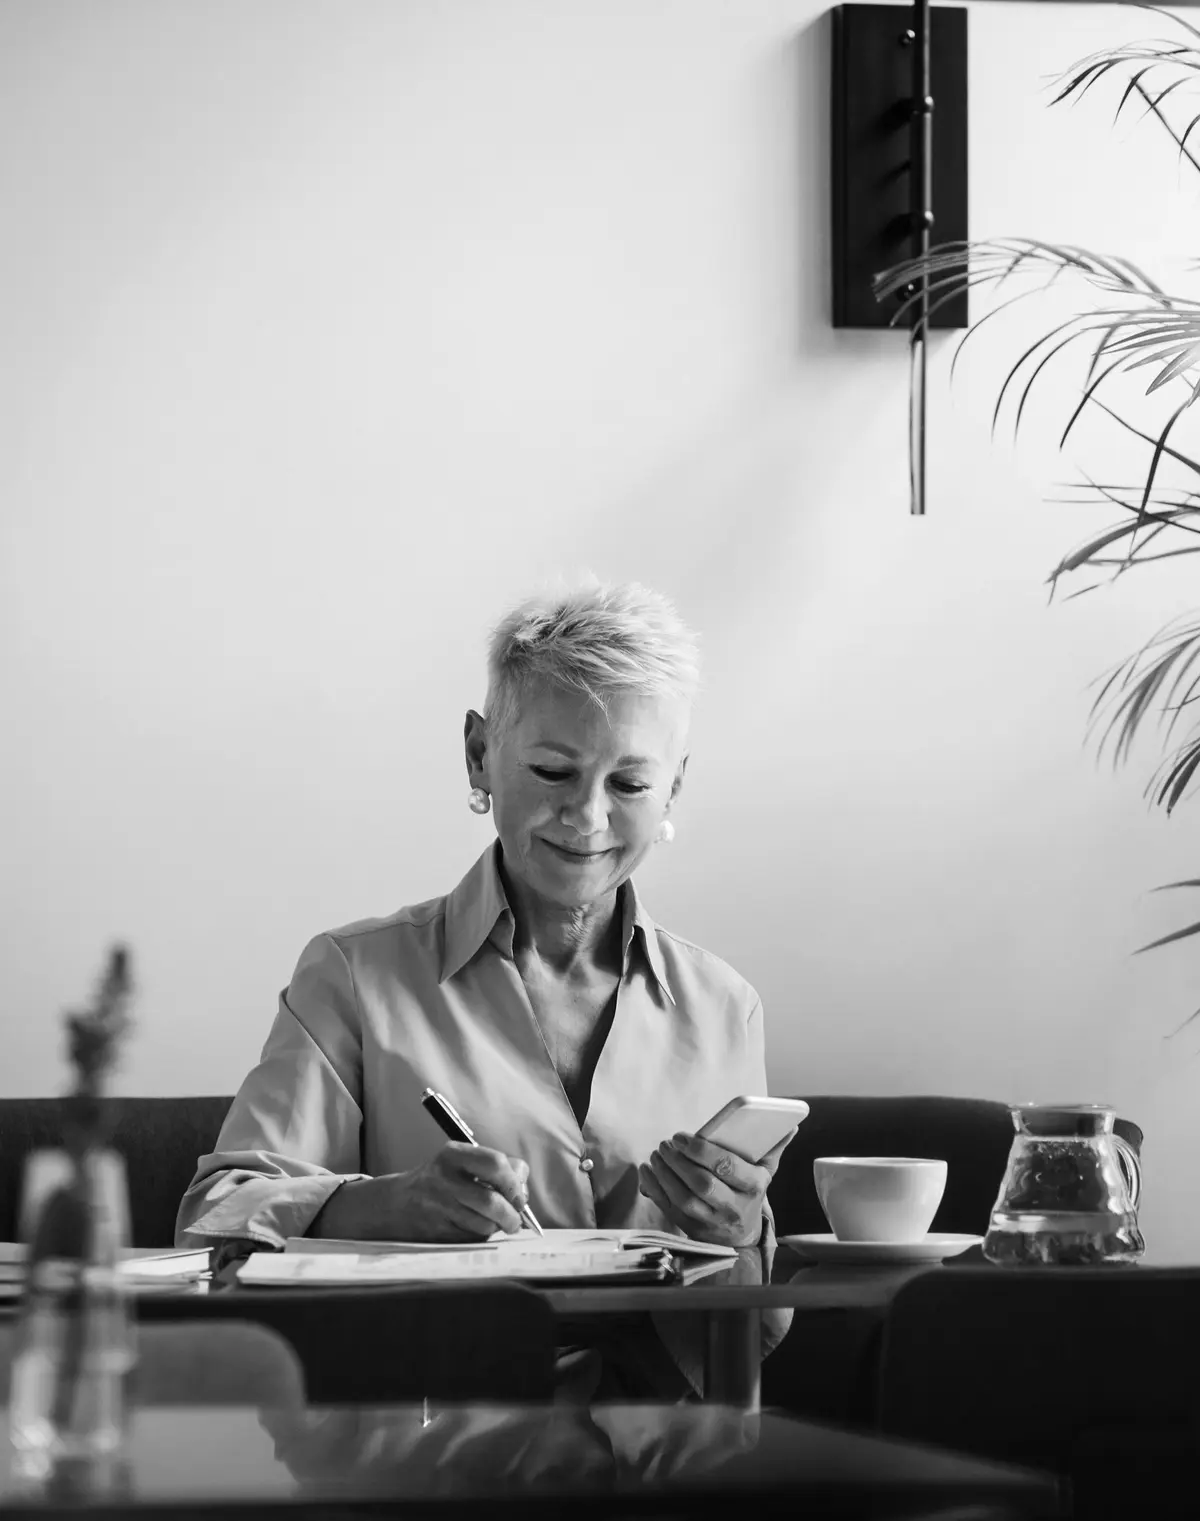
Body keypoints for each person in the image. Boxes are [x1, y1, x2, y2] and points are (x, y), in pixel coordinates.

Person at [176, 579, 795, 1395]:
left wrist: (744, 1233)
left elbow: (745, 1341)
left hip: (670, 1473)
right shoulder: (356, 976)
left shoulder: (725, 1007)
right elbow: (216, 1211)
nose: (586, 817)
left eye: (630, 785)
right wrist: (381, 1208)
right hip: (429, 1465)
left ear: (674, 786)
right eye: (552, 770)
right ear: (479, 755)